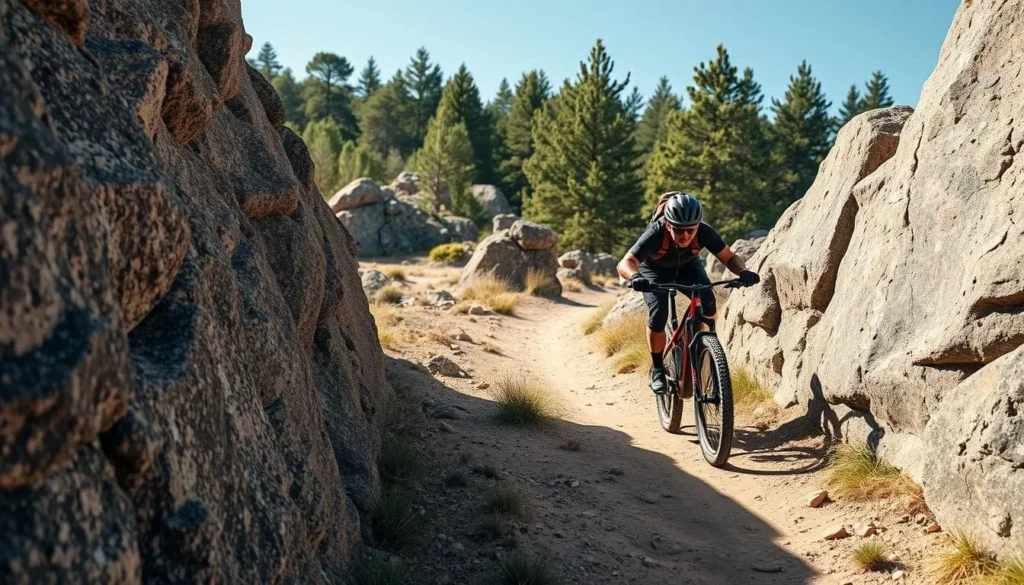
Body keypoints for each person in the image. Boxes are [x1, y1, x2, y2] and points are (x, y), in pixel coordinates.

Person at [616, 192, 760, 394]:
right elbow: (625, 262)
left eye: (690, 231)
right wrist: (634, 277)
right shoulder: (655, 232)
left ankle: (705, 346)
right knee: (659, 312)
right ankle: (657, 369)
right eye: (678, 230)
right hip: (654, 271)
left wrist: (743, 271)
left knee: (707, 298)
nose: (685, 236)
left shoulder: (704, 231)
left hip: (687, 267)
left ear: (698, 226)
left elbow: (729, 257)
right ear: (668, 224)